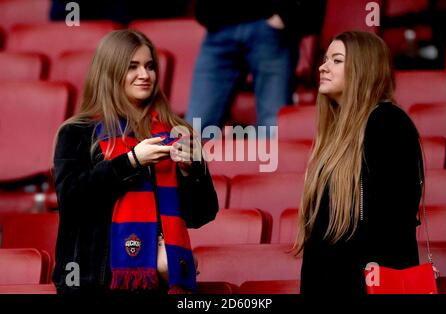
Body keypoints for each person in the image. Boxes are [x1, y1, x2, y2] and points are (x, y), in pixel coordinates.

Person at [52, 29, 219, 294]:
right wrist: (131, 162)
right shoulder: (77, 132)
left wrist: (192, 171)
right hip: (92, 283)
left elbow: (201, 215)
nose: (145, 75)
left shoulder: (177, 130)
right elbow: (72, 201)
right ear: (110, 73)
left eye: (150, 66)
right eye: (133, 67)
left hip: (155, 284)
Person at [295, 31, 424, 295]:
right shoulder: (335, 134)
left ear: (362, 69)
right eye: (325, 58)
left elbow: (393, 224)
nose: (323, 66)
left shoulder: (388, 123)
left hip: (365, 286)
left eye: (337, 60)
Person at [185, 0, 326, 138]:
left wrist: (287, 15)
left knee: (272, 126)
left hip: (269, 25)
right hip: (218, 24)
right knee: (196, 126)